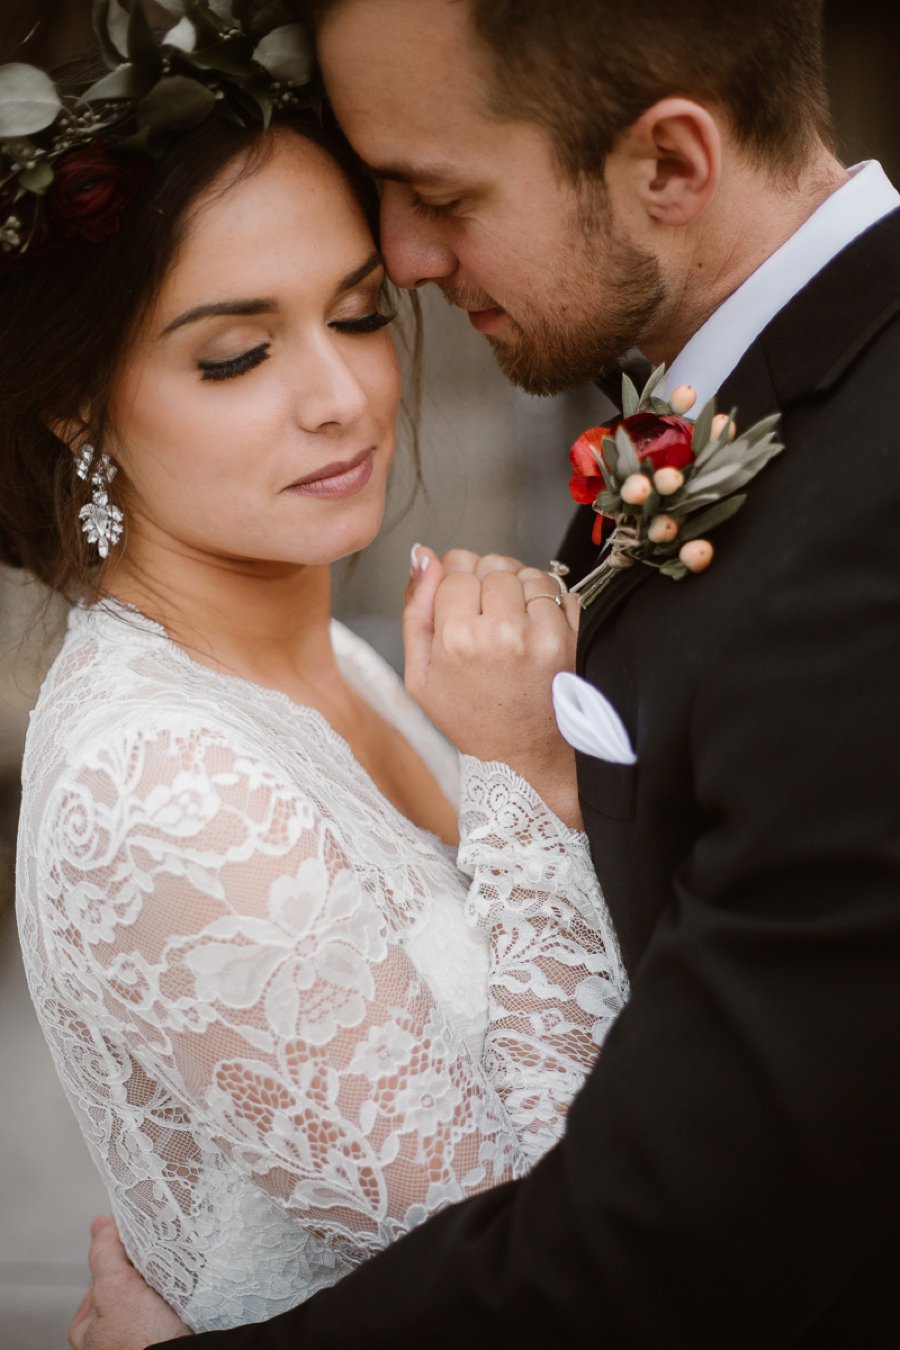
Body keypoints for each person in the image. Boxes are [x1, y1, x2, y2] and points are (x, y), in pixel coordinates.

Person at [67, 0, 900, 1346]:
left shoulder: (868, 525)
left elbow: (689, 1231)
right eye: (239, 349)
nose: (402, 256)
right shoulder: (737, 407)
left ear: (672, 166)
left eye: (437, 191)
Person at [3, 6, 628, 1340]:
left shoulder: (351, 662)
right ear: (79, 400)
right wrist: (526, 777)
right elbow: (538, 1273)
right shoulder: (158, 782)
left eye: (355, 314)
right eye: (237, 352)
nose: (341, 394)